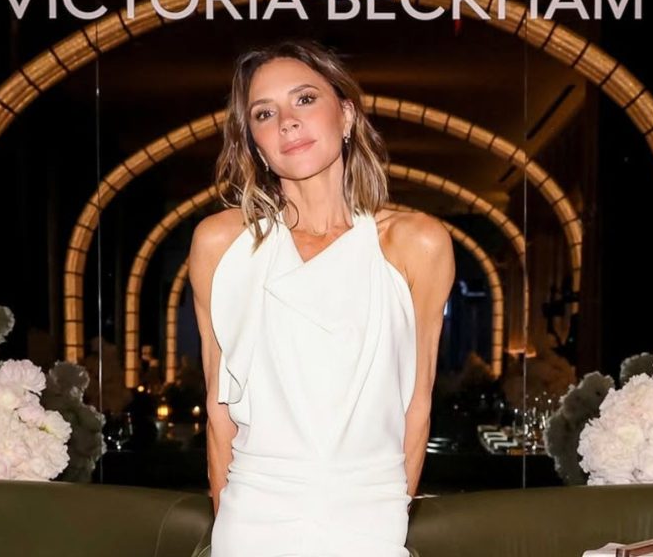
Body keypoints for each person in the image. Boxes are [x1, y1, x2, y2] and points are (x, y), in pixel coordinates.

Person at [188, 40, 455, 556]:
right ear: (254, 143)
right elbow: (219, 412)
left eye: (305, 99)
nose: (287, 122)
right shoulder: (220, 244)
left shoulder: (416, 243)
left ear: (347, 115)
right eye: (265, 113)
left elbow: (417, 407)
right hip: (252, 517)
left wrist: (387, 520)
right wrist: (228, 526)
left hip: (369, 515)